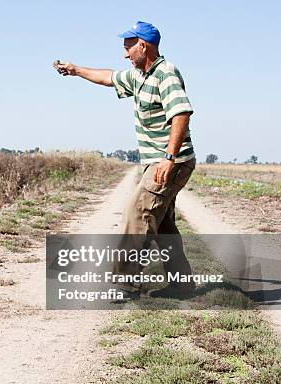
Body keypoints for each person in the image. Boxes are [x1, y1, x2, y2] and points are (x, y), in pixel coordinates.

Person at [55, 21, 196, 299]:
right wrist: (75, 70)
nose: (125, 54)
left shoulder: (165, 74)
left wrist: (168, 158)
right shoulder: (139, 76)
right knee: (162, 224)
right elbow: (108, 77)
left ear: (143, 45)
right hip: (158, 161)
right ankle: (182, 285)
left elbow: (181, 113)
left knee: (137, 213)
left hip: (170, 162)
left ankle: (125, 285)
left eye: (128, 48)